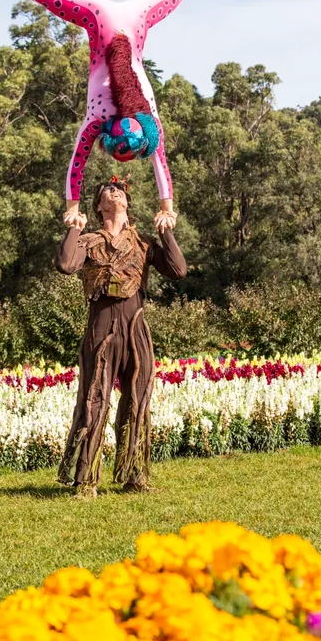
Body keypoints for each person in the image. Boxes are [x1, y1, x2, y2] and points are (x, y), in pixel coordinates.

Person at [0, 0, 259, 234]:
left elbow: (158, 164)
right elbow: (77, 164)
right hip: (100, 17)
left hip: (134, 17)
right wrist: (75, 206)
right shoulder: (101, 119)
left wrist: (167, 207)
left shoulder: (147, 122)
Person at [54, 177, 186, 497]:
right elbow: (65, 264)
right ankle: (86, 481)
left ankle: (134, 476)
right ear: (99, 206)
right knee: (93, 402)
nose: (115, 192)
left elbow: (179, 270)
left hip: (135, 330)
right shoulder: (88, 240)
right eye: (106, 191)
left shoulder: (143, 243)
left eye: (120, 190)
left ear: (126, 202)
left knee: (137, 402)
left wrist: (165, 230)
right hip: (100, 332)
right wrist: (73, 226)